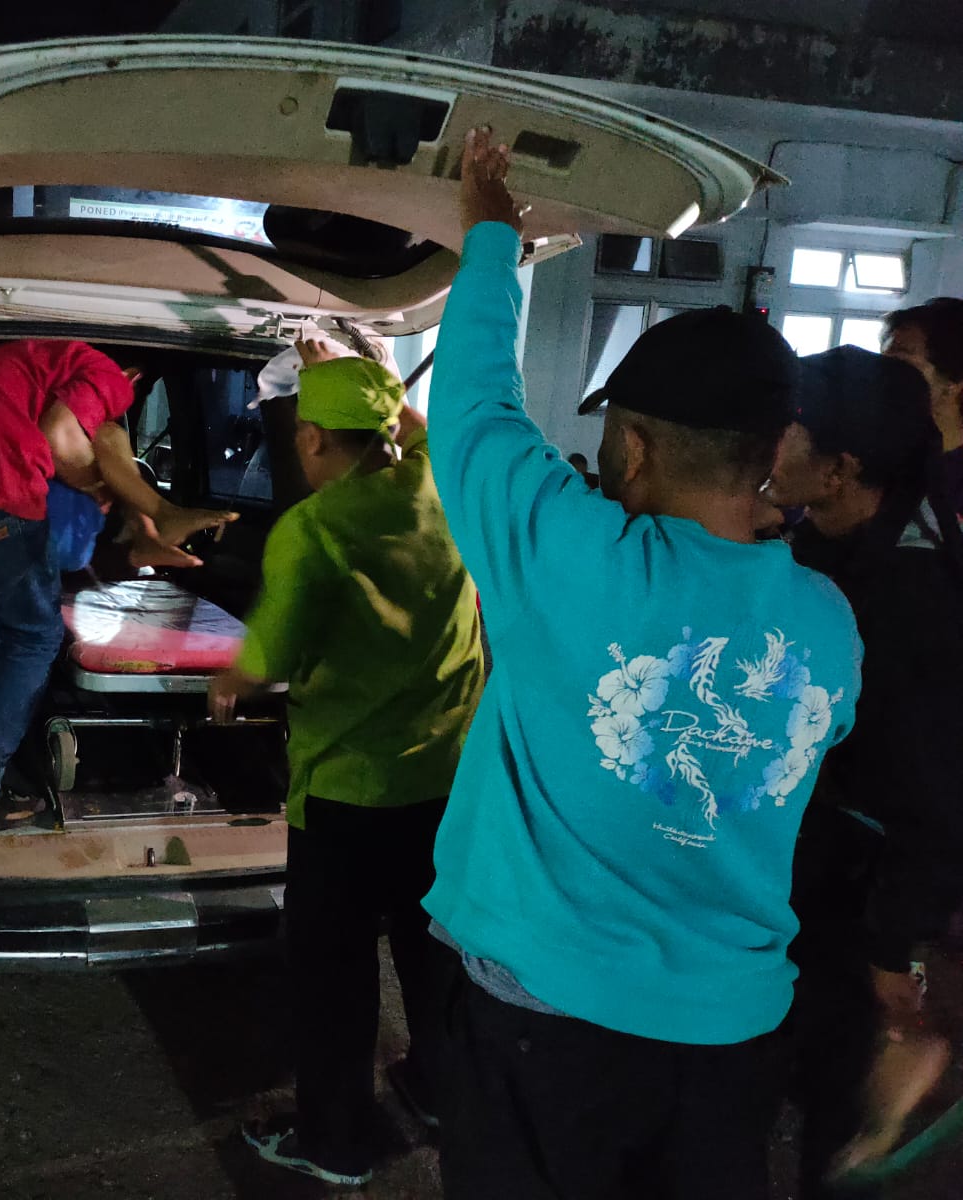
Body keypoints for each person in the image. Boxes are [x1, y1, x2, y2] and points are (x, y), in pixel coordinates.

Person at [423, 128, 863, 1200]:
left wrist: (492, 226)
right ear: (771, 454)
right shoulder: (828, 624)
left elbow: (475, 404)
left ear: (629, 450)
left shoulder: (574, 563)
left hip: (546, 1024)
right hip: (733, 1034)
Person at [209, 354, 485, 1188]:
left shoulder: (315, 526)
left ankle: (334, 1141)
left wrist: (226, 686)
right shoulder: (447, 490)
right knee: (431, 954)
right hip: (443, 780)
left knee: (333, 976)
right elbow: (423, 431)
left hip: (346, 789)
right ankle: (440, 1095)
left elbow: (266, 655)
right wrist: (373, 380)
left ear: (314, 438)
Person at [0, 339, 233, 833]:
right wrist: (108, 490)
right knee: (37, 634)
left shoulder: (11, 361)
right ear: (132, 378)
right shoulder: (102, 370)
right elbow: (63, 433)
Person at [763, 346, 963, 1193]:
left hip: (855, 892)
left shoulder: (905, 601)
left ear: (839, 469)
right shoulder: (834, 544)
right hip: (817, 867)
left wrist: (889, 947)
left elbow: (933, 800)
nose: (765, 441)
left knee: (831, 1084)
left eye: (786, 428)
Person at [882, 297, 963, 515]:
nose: (882, 370)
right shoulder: (875, 452)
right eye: (884, 356)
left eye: (902, 357)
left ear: (953, 381)